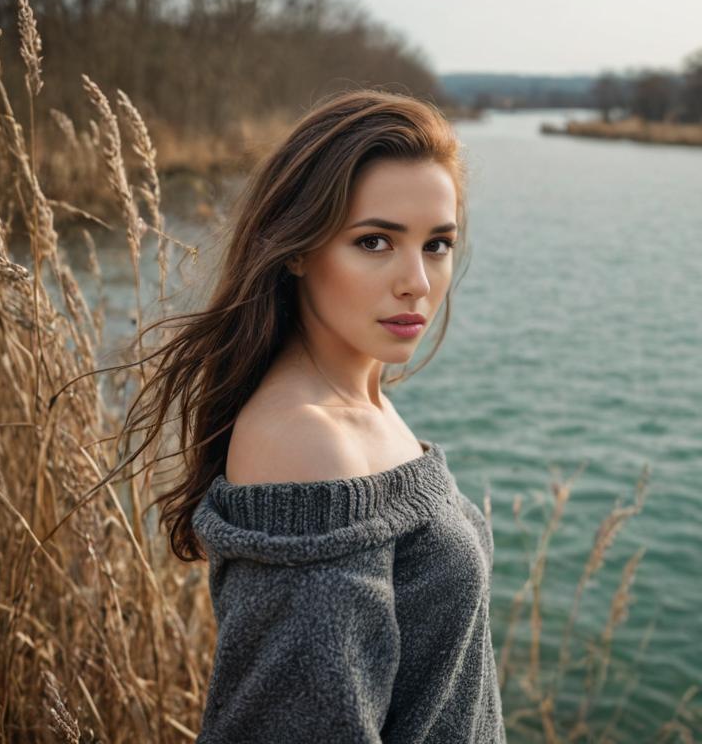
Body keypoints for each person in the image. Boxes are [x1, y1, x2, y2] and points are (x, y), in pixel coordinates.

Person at [142, 89, 507, 742]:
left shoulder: (365, 404)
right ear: (299, 248)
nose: (417, 282)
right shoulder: (305, 445)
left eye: (437, 244)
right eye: (374, 241)